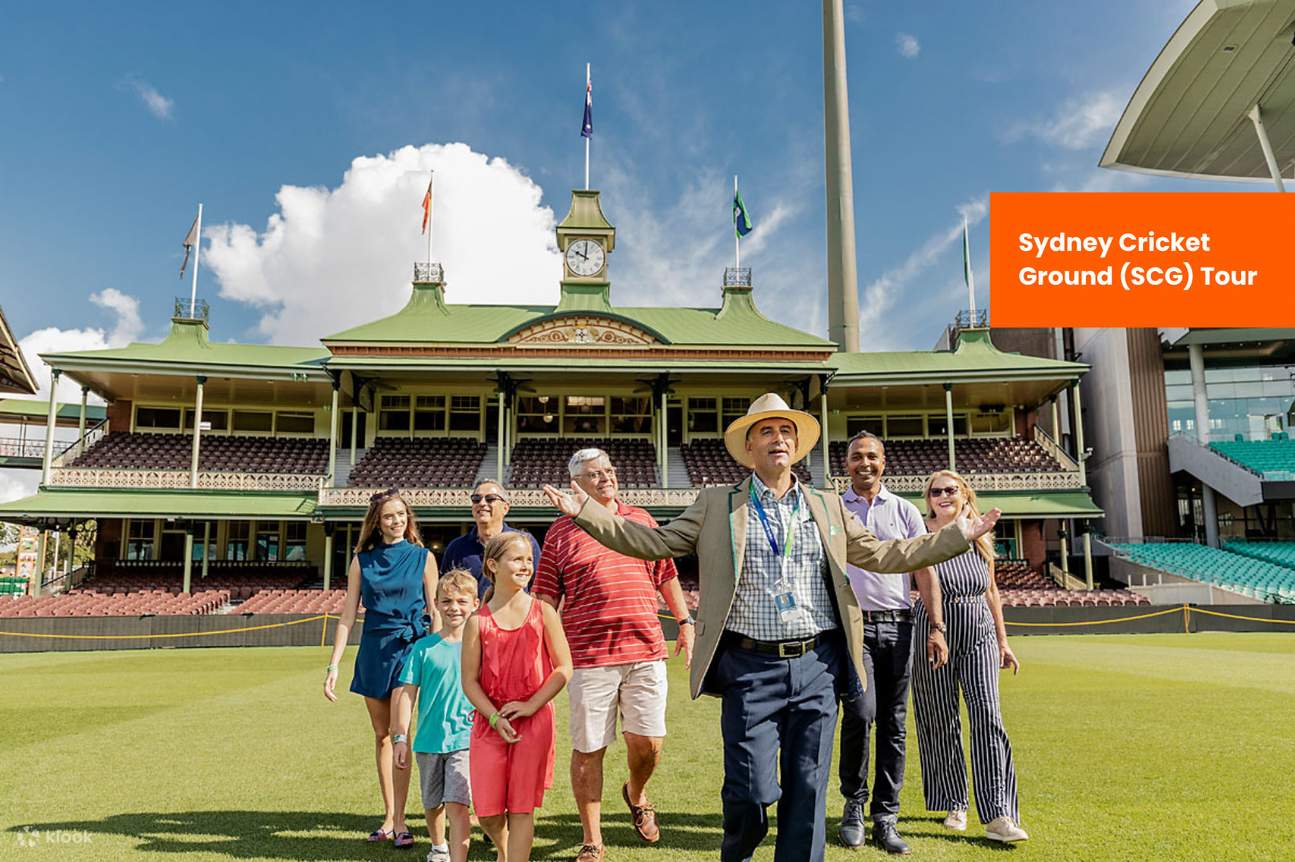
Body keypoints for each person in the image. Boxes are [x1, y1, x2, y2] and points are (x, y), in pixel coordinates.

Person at [542, 393, 1000, 862]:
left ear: (796, 446)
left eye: (785, 431)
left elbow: (886, 555)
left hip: (817, 664)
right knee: (750, 794)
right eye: (766, 431)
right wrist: (589, 514)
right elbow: (654, 541)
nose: (778, 438)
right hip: (748, 667)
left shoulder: (826, 505)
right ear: (749, 446)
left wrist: (956, 537)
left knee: (807, 790)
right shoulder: (717, 503)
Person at [532, 448, 696, 862]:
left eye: (608, 471)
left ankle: (636, 792)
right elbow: (547, 598)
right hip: (588, 655)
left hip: (645, 648)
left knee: (648, 743)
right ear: (577, 483)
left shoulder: (640, 519)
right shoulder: (560, 532)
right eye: (593, 474)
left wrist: (685, 622)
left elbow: (667, 575)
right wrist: (547, 646)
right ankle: (592, 838)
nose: (605, 478)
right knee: (589, 748)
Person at [835, 431, 949, 854]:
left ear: (884, 462)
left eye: (871, 456)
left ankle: (886, 816)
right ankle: (854, 805)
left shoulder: (903, 510)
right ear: (845, 464)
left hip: (900, 627)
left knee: (895, 725)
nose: (864, 463)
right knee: (861, 714)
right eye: (855, 457)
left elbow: (925, 570)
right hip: (854, 627)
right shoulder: (834, 510)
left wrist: (936, 627)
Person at [910, 469, 1027, 844]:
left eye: (950, 489)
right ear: (927, 499)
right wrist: (936, 628)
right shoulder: (922, 533)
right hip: (933, 628)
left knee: (988, 714)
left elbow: (992, 590)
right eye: (934, 491)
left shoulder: (981, 535)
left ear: (964, 494)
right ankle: (954, 802)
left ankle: (998, 812)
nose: (942, 495)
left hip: (978, 627)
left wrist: (1003, 642)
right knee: (940, 717)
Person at [325, 488, 439, 849]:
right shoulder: (362, 560)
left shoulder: (423, 558)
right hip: (374, 650)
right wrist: (333, 665)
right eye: (390, 516)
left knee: (401, 731)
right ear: (377, 521)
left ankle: (403, 821)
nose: (397, 521)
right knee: (382, 735)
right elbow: (347, 616)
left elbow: (435, 611)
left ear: (409, 519)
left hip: (410, 648)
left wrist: (437, 656)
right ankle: (389, 817)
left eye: (402, 515)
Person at [462, 532, 573, 862]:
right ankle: (506, 851)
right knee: (488, 813)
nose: (526, 565)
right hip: (489, 723)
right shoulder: (476, 622)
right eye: (517, 559)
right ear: (493, 565)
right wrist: (494, 717)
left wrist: (530, 706)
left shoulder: (544, 612)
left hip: (534, 721)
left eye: (529, 559)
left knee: (522, 808)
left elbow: (563, 668)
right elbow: (469, 681)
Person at [392, 569, 480, 862]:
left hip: (465, 740)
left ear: (475, 604)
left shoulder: (482, 646)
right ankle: (439, 846)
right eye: (447, 601)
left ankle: (458, 856)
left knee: (458, 803)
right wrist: (401, 737)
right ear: (436, 604)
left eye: (461, 601)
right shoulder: (423, 648)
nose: (454, 607)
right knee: (433, 804)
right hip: (428, 740)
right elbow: (407, 694)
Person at [442, 480, 543, 600]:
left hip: (515, 616)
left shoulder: (525, 542)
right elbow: (445, 589)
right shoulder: (456, 547)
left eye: (490, 499)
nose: (482, 503)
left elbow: (539, 587)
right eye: (476, 499)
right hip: (472, 617)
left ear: (505, 508)